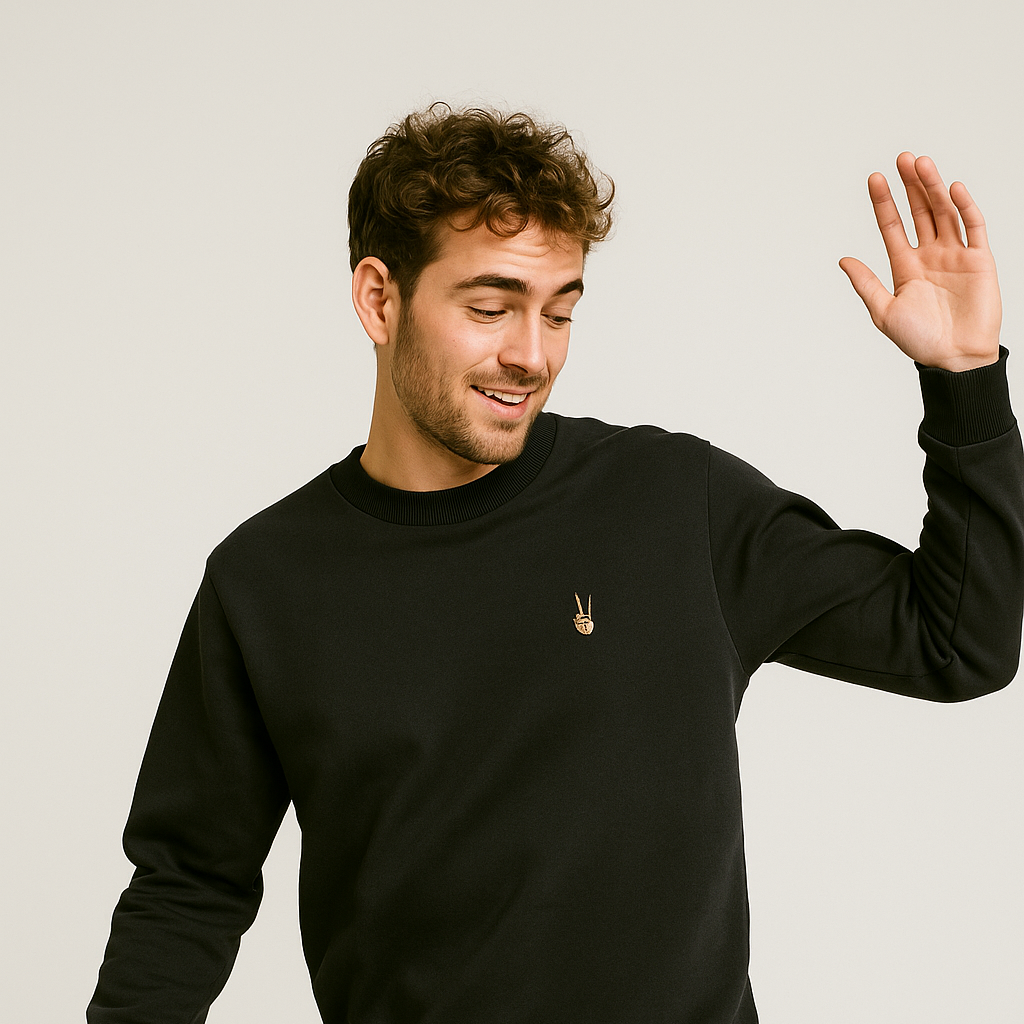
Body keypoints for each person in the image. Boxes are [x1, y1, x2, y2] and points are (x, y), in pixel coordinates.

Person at [87, 103, 1023, 1024]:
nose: (530, 355)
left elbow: (958, 642)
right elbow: (188, 885)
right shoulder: (268, 580)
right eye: (489, 308)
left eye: (560, 312)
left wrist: (966, 380)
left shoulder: (674, 502)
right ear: (379, 299)